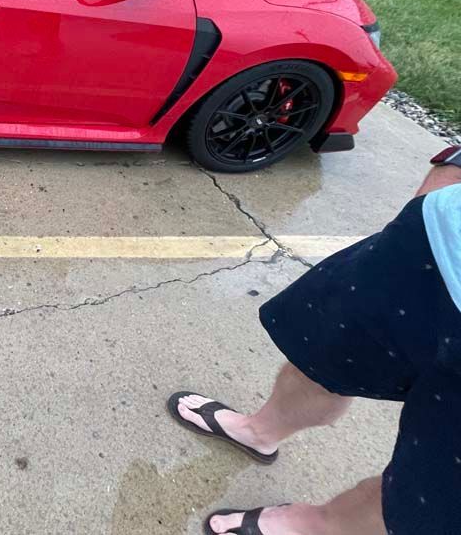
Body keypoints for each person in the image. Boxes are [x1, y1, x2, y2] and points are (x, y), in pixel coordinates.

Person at [168, 146, 461, 535]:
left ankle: (316, 525)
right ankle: (258, 432)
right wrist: (452, 170)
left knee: (428, 491)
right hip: (439, 243)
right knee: (322, 358)